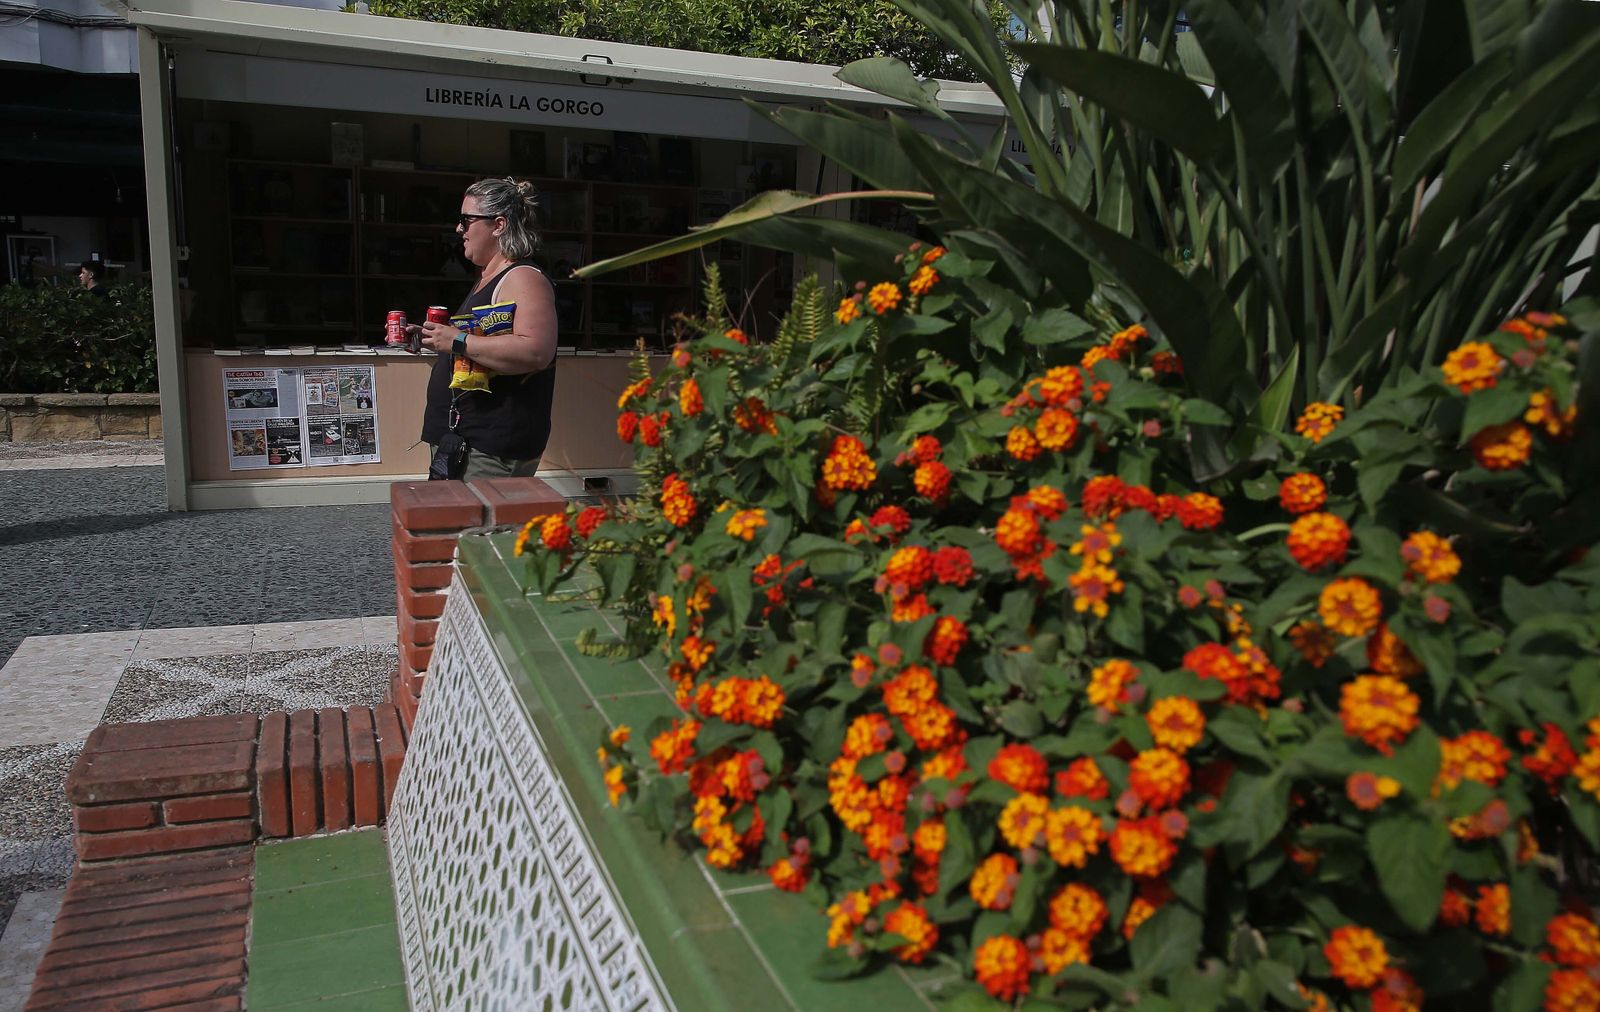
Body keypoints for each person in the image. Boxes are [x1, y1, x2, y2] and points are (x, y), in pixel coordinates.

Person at [414, 178, 558, 480]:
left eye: (467, 220)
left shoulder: (523, 277)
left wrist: (457, 340)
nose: (459, 229)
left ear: (498, 225)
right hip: (466, 442)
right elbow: (482, 346)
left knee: (481, 514)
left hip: (489, 446)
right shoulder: (488, 277)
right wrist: (436, 339)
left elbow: (535, 351)